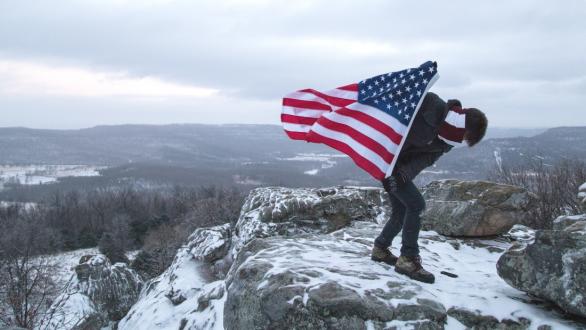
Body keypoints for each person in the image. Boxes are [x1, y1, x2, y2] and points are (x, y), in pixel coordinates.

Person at [370, 92, 488, 284]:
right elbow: (396, 118)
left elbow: (425, 159)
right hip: (385, 157)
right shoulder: (430, 105)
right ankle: (407, 259)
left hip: (397, 168)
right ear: (463, 125)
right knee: (417, 205)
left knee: (402, 210)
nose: (461, 141)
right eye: (466, 136)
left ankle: (380, 249)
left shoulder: (448, 140)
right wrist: (387, 169)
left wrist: (402, 176)